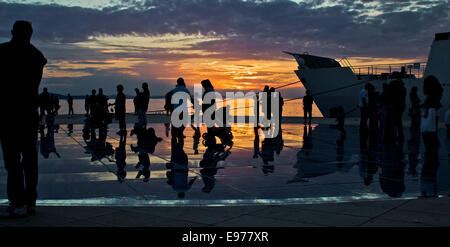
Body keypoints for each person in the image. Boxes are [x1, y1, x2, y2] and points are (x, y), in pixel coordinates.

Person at [0, 21, 47, 217]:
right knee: (29, 159)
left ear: (13, 32)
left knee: (13, 161)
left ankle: (18, 200)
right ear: (30, 34)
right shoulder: (36, 56)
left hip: (10, 113)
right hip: (28, 113)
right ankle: (30, 201)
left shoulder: (3, 52)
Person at [170, 78, 193, 146]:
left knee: (174, 125)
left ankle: (174, 136)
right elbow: (190, 98)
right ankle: (180, 133)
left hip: (176, 109)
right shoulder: (185, 90)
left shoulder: (174, 90)